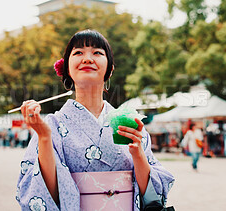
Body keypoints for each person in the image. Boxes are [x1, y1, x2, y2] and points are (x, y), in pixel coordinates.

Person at [16, 30, 175, 211]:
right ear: (67, 68)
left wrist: (138, 154)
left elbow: (153, 197)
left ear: (110, 69)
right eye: (78, 53)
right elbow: (46, 195)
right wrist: (44, 137)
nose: (87, 59)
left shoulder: (129, 122)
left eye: (97, 53)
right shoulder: (50, 126)